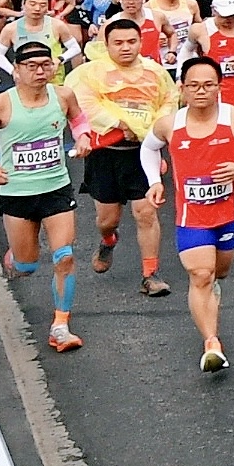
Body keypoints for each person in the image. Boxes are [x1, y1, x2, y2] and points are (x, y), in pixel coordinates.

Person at [140, 55, 234, 372]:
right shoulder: (169, 124)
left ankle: (212, 293)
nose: (201, 91)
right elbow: (148, 148)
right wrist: (154, 181)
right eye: (194, 86)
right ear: (183, 88)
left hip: (229, 215)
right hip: (192, 218)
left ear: (219, 87)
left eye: (208, 85)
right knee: (201, 274)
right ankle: (211, 343)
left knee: (219, 273)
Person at [0, 38, 86, 352]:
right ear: (16, 71)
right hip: (17, 193)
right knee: (26, 266)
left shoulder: (63, 95)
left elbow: (78, 120)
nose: (39, 71)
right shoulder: (0, 104)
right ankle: (16, 258)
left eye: (45, 65)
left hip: (56, 188)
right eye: (31, 66)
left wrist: (83, 137)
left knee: (65, 256)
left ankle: (60, 326)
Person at [67, 17, 178, 296]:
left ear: (141, 42)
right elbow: (84, 104)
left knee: (146, 213)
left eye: (131, 41)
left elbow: (169, 102)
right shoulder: (90, 72)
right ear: (107, 45)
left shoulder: (155, 72)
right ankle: (108, 240)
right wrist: (119, 125)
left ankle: (150, 275)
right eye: (118, 43)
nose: (125, 47)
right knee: (108, 220)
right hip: (105, 156)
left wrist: (152, 129)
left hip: (142, 154)